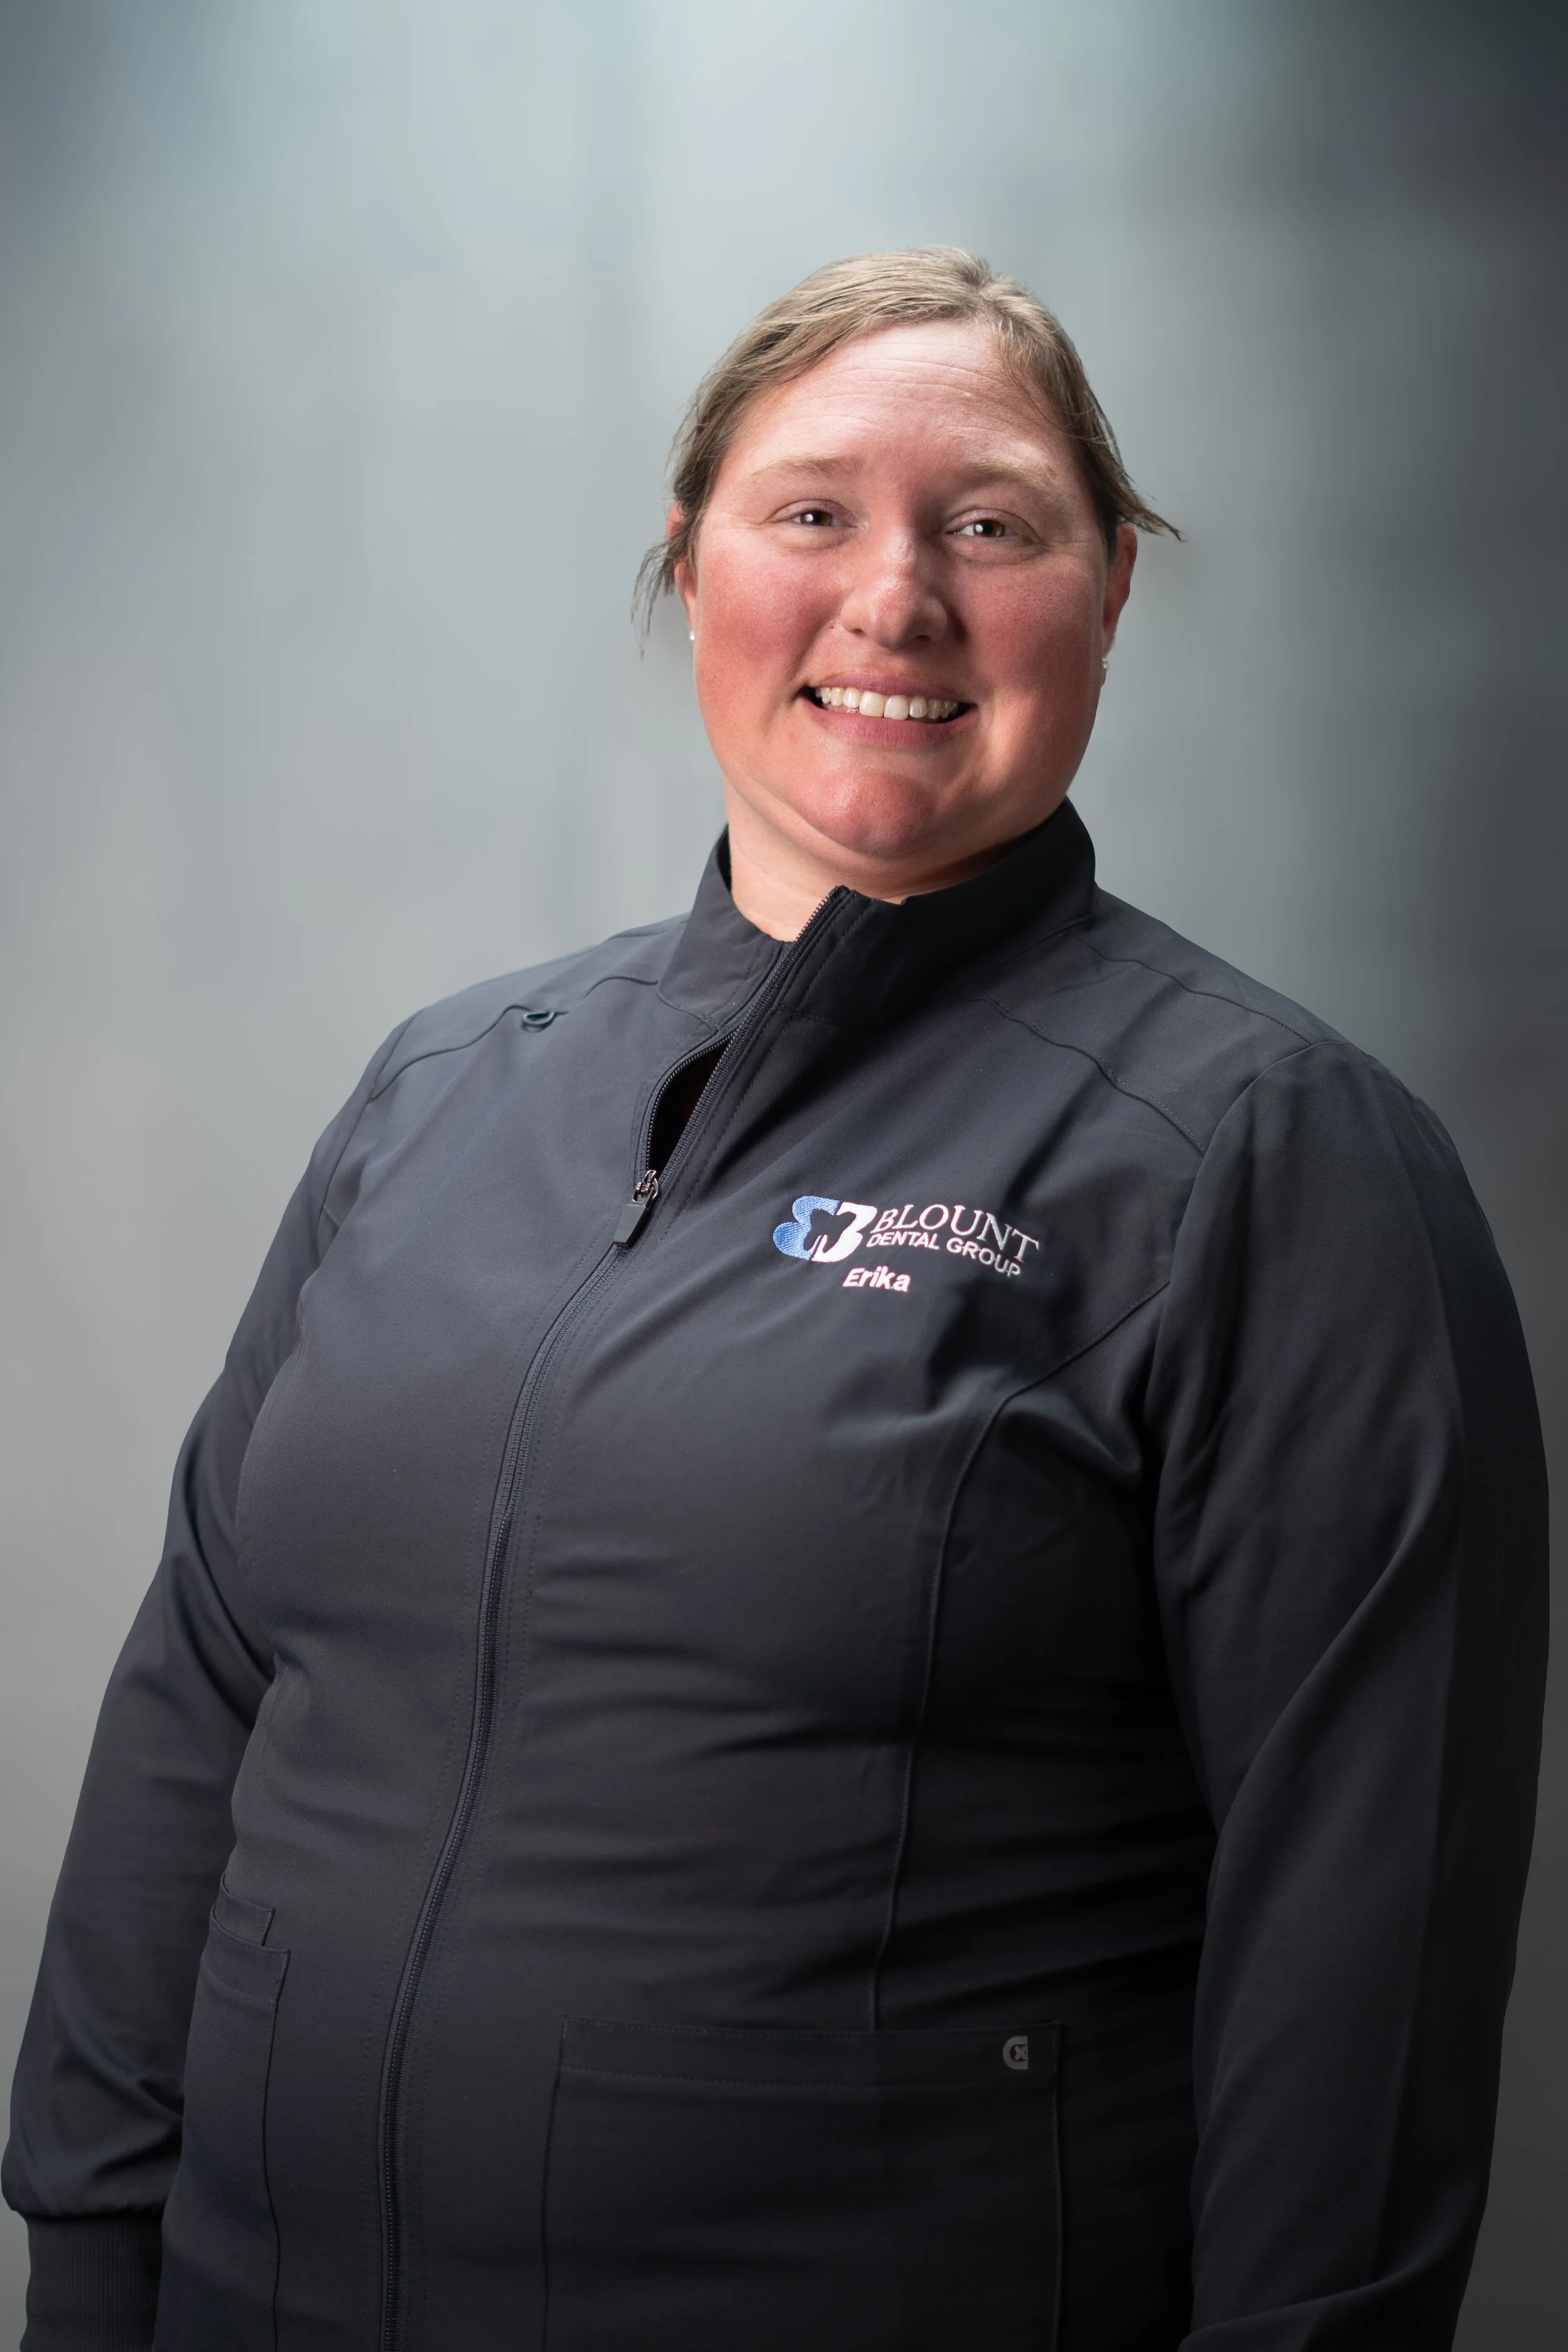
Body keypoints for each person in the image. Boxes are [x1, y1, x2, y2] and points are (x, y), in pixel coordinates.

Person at [4, 248, 1546, 2352]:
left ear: (1105, 594)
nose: (892, 596)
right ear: (690, 565)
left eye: (989, 524)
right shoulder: (443, 1091)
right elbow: (196, 1703)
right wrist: (88, 2260)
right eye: (809, 511)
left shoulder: (1263, 1159)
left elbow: (1357, 1949)